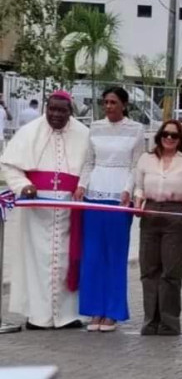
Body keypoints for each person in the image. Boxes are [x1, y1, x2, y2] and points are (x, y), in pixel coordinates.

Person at [0, 91, 90, 329]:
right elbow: (9, 165)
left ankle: (68, 315)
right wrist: (24, 186)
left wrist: (82, 186)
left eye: (62, 110)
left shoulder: (83, 134)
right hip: (37, 208)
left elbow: (91, 166)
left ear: (70, 111)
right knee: (37, 261)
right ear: (45, 108)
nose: (56, 115)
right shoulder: (30, 132)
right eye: (52, 109)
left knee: (67, 260)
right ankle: (38, 316)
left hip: (71, 207)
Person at [76, 87, 145, 332]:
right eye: (105, 102)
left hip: (119, 199)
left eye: (113, 102)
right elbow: (89, 161)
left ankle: (113, 311)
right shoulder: (94, 127)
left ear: (124, 105)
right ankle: (94, 310)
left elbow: (137, 165)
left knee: (115, 255)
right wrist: (82, 185)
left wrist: (129, 189)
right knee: (93, 255)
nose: (108, 106)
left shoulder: (136, 129)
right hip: (94, 195)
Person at [134, 120, 182, 335]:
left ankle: (169, 322)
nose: (169, 139)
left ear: (180, 138)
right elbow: (138, 186)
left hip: (176, 214)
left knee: (171, 271)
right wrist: (137, 202)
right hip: (151, 213)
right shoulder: (146, 159)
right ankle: (150, 320)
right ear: (159, 136)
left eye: (174, 135)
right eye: (165, 134)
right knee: (149, 269)